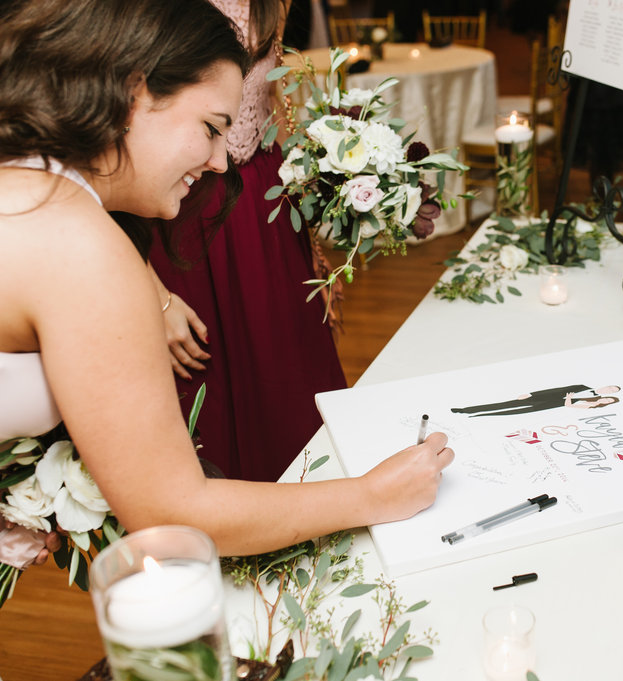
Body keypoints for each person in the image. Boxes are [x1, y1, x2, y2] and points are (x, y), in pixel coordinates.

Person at [0, 0, 453, 558]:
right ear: (134, 95)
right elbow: (171, 514)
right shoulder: (80, 245)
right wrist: (373, 495)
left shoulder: (29, 179)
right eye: (212, 128)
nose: (221, 161)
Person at [148, 0, 347, 483]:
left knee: (288, 383)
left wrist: (311, 247)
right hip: (179, 211)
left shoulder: (272, 2)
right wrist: (154, 296)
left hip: (263, 210)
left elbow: (277, 110)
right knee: (202, 392)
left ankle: (308, 521)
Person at [451, 384, 621, 417]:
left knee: (512, 412)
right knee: (504, 404)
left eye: (611, 393)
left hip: (547, 406)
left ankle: (479, 416)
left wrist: (569, 400)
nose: (608, 391)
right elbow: (555, 390)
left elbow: (571, 406)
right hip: (542, 397)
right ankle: (465, 410)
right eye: (611, 388)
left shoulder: (594, 401)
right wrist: (531, 394)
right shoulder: (582, 386)